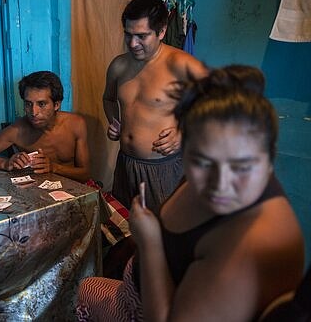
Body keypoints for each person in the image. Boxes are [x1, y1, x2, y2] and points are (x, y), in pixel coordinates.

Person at [78, 66, 305, 321]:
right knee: (86, 288)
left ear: (270, 159)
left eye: (241, 167)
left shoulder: (248, 248)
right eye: (202, 162)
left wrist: (151, 244)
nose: (220, 183)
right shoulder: (223, 151)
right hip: (133, 289)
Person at [103, 0, 208, 214]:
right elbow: (109, 99)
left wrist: (184, 132)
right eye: (128, 35)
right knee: (123, 231)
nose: (133, 44)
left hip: (163, 168)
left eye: (142, 36)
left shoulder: (182, 65)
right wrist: (115, 121)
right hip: (125, 164)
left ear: (161, 32)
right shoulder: (118, 66)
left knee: (163, 235)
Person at [0, 70, 90, 183]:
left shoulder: (76, 124)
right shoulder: (18, 130)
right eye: (28, 104)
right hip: (37, 194)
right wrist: (6, 164)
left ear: (56, 104)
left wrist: (54, 167)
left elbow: (85, 175)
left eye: (41, 104)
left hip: (74, 193)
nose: (33, 112)